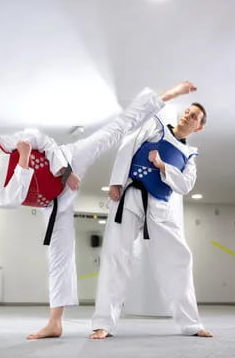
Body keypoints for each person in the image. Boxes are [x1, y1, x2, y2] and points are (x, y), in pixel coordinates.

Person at [0, 81, 197, 339]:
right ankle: (55, 323)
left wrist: (64, 171)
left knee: (115, 129)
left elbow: (38, 137)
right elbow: (12, 198)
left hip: (66, 159)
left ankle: (166, 96)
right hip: (51, 203)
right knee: (58, 256)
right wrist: (25, 161)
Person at [89, 99, 213, 339]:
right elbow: (128, 144)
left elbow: (185, 185)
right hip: (130, 196)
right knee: (115, 256)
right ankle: (103, 323)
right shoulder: (157, 126)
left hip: (160, 206)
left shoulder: (190, 156)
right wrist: (116, 182)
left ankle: (192, 324)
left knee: (180, 258)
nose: (188, 115)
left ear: (200, 127)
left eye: (194, 116)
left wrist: (161, 165)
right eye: (187, 111)